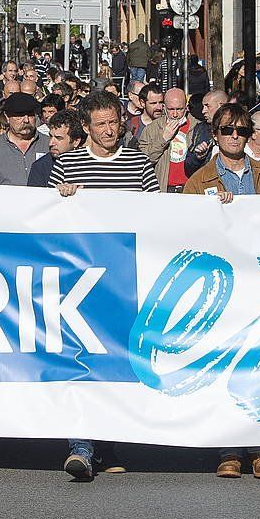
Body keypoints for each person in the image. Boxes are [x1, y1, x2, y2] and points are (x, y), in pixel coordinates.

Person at [50, 90, 158, 479]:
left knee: (115, 362)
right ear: (87, 127)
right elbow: (43, 222)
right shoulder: (67, 165)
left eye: (114, 122)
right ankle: (80, 444)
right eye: (101, 124)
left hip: (124, 280)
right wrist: (61, 200)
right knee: (79, 360)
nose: (109, 130)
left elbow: (159, 217)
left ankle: (108, 442)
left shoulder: (139, 165)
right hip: (78, 281)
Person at [181, 101, 260, 478]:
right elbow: (185, 233)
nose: (235, 137)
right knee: (223, 362)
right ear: (215, 135)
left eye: (241, 131)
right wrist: (213, 212)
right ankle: (228, 448)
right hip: (221, 287)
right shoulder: (199, 182)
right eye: (227, 130)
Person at [0, 93, 50, 186]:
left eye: (30, 115)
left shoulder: (49, 145)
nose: (26, 120)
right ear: (7, 117)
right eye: (19, 115)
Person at [138, 87, 198, 192]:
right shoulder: (152, 129)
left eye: (179, 109)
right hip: (164, 189)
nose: (175, 114)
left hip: (191, 189)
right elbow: (143, 161)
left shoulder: (197, 127)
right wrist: (163, 139)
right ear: (164, 107)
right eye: (171, 109)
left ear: (186, 108)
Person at [28, 108, 85, 187]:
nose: (51, 143)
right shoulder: (40, 167)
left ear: (76, 141)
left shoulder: (90, 163)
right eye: (51, 136)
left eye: (59, 138)